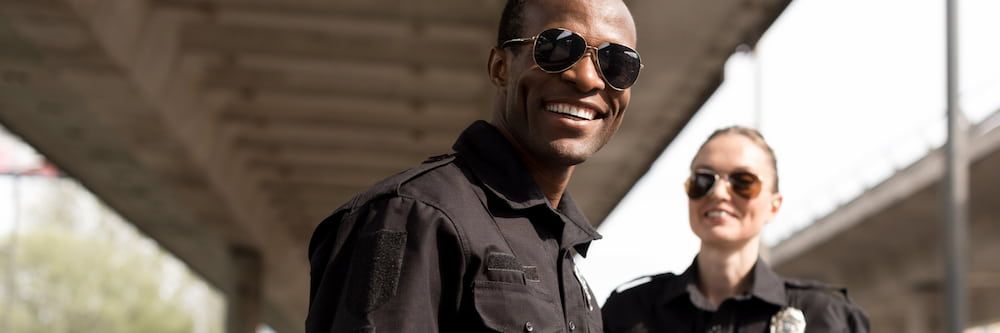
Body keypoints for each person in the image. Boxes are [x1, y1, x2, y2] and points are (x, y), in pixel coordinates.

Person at [306, 0, 643, 331]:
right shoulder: (411, 216)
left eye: (617, 63)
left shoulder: (565, 260)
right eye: (557, 48)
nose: (588, 79)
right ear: (500, 67)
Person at [602, 126, 870, 333]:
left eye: (743, 181)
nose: (718, 193)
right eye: (704, 179)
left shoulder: (828, 318)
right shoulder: (629, 311)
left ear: (774, 206)